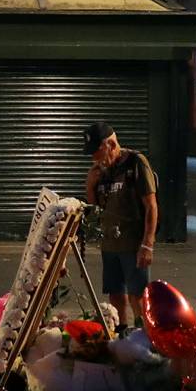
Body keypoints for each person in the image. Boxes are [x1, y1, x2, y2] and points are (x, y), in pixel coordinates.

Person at [83, 123, 158, 330]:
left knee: (137, 295)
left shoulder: (136, 163)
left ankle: (144, 337)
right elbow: (95, 209)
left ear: (111, 144)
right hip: (109, 243)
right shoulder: (101, 171)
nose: (94, 158)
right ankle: (121, 334)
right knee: (116, 293)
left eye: (97, 152)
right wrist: (90, 186)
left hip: (133, 243)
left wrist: (147, 244)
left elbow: (151, 206)